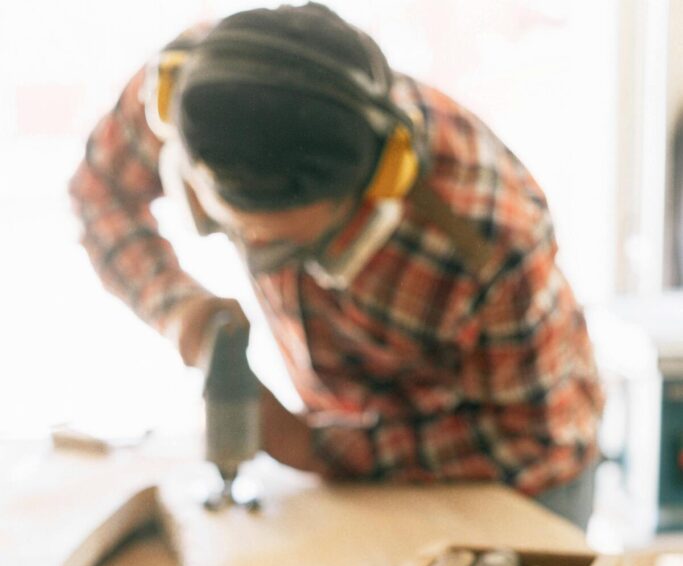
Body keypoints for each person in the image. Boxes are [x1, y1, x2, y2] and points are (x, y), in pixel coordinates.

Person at [69, 2, 603, 528]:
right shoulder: (211, 89)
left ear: (373, 195)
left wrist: (310, 446)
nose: (258, 260)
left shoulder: (489, 241)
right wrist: (176, 306)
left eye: (284, 249)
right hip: (352, 442)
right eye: (233, 232)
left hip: (515, 478)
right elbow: (101, 190)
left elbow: (532, 441)